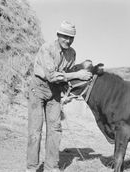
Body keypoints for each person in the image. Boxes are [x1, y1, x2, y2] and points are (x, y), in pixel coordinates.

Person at [26, 21, 92, 172]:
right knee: (35, 131)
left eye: (71, 38)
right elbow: (52, 76)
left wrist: (66, 93)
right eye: (65, 37)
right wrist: (78, 74)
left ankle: (51, 167)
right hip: (38, 89)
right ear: (58, 35)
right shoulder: (47, 48)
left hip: (55, 93)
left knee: (55, 130)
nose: (68, 40)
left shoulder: (72, 53)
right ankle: (31, 168)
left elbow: (64, 78)